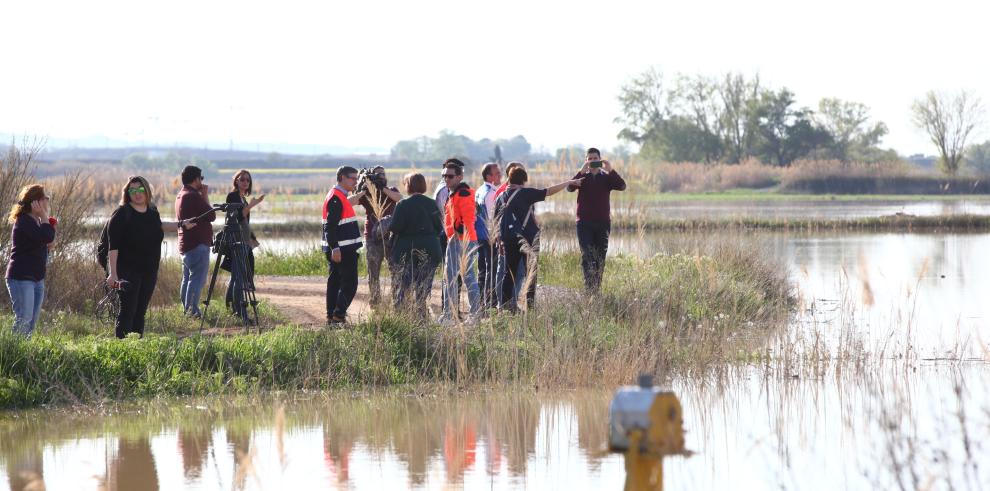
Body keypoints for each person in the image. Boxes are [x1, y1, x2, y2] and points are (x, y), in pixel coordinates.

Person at [106, 176, 195, 338]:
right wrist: (113, 274)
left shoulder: (152, 211)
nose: (137, 194)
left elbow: (159, 226)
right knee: (128, 311)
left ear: (146, 190)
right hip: (127, 271)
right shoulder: (122, 214)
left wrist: (182, 224)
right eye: (132, 190)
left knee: (140, 312)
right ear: (127, 193)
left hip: (149, 271)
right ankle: (121, 348)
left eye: (140, 190)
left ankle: (136, 346)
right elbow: (113, 247)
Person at [494, 167, 583, 312]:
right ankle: (531, 307)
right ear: (524, 180)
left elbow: (496, 220)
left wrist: (499, 241)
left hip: (508, 239)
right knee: (531, 273)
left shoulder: (501, 196)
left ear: (509, 179)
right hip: (528, 239)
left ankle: (504, 308)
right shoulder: (525, 193)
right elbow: (548, 191)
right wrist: (569, 182)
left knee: (508, 273)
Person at [567, 148, 627, 292]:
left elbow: (622, 186)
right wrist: (581, 172)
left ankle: (596, 289)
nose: (593, 161)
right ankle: (589, 289)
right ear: (586, 160)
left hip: (603, 223)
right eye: (590, 159)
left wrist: (611, 169)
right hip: (584, 223)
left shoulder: (606, 177)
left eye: (595, 158)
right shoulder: (582, 177)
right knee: (587, 255)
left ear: (600, 160)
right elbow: (569, 187)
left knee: (600, 257)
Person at [389, 173, 444, 317]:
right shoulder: (432, 203)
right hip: (430, 249)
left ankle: (402, 316)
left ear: (408, 186)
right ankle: (420, 315)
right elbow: (440, 227)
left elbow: (395, 227)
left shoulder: (403, 204)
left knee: (404, 285)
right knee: (424, 284)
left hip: (406, 250)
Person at [4, 184, 55, 336]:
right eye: (45, 198)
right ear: (35, 203)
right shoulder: (24, 221)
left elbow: (49, 241)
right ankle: (13, 355)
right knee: (23, 319)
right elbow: (47, 237)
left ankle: (24, 357)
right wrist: (45, 216)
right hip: (21, 278)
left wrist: (46, 225)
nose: (48, 200)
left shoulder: (36, 222)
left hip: (37, 279)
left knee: (31, 322)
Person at [439, 161, 482, 323]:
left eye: (450, 176)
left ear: (459, 177)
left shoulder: (463, 193)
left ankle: (454, 315)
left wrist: (458, 232)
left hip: (461, 240)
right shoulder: (454, 193)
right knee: (462, 276)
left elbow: (469, 218)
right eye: (444, 176)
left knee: (456, 277)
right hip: (461, 239)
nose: (446, 179)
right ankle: (454, 314)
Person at [322, 166, 364, 325]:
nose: (355, 181)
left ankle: (332, 317)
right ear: (342, 178)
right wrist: (335, 248)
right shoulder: (336, 197)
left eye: (356, 178)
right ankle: (338, 316)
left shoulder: (339, 196)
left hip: (341, 248)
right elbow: (329, 226)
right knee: (349, 284)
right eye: (352, 178)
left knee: (335, 283)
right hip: (343, 249)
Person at [176, 165, 217, 319]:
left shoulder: (181, 194)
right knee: (197, 279)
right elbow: (211, 215)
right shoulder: (193, 196)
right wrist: (205, 195)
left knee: (187, 278)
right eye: (201, 178)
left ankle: (186, 310)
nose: (202, 181)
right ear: (196, 179)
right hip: (197, 245)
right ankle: (192, 312)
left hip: (186, 244)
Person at [358, 165, 402, 306]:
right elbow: (349, 202)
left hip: (391, 236)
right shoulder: (367, 194)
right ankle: (375, 303)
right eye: (377, 175)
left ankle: (397, 303)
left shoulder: (392, 190)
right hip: (372, 238)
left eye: (383, 174)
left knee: (395, 271)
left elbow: (400, 199)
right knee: (373, 273)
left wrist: (381, 187)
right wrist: (364, 189)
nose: (381, 176)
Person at [224, 169, 265, 320]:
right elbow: (236, 217)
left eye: (247, 180)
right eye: (242, 179)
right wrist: (253, 205)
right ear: (236, 181)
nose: (245, 182)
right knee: (239, 277)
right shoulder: (233, 196)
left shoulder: (243, 199)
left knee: (237, 275)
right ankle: (240, 312)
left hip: (244, 239)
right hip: (236, 239)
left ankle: (231, 307)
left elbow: (244, 221)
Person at [492, 161, 525, 306]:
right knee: (506, 272)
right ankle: (505, 304)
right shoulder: (503, 192)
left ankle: (510, 302)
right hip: (508, 239)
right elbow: (496, 218)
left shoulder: (523, 191)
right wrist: (498, 239)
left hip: (520, 239)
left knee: (517, 272)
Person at [475, 162, 501, 308]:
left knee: (482, 269)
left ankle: (480, 302)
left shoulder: (480, 190)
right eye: (497, 173)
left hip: (479, 235)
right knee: (491, 270)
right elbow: (493, 218)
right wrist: (497, 236)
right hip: (489, 236)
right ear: (489, 176)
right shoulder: (492, 193)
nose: (500, 176)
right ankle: (489, 303)